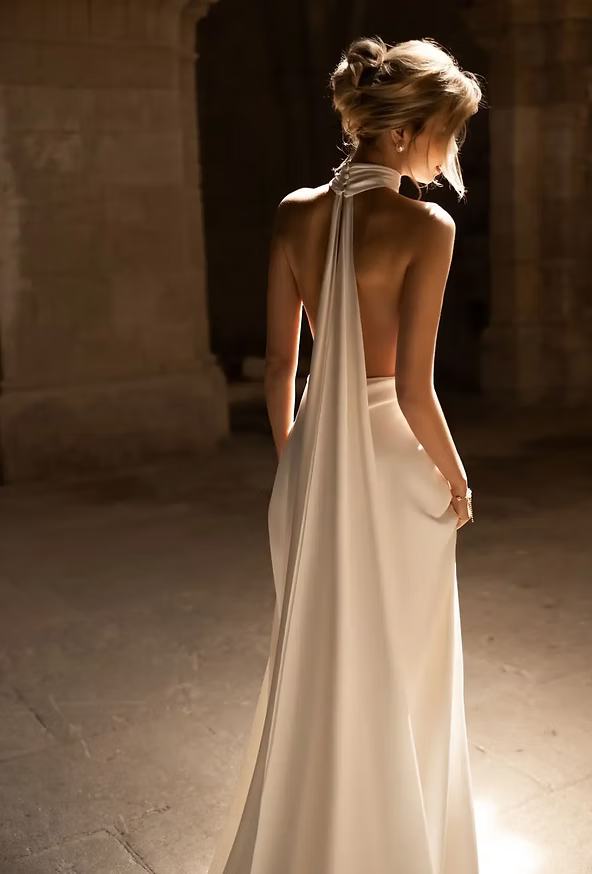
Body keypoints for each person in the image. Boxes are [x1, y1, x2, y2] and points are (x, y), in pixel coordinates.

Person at [207, 36, 483, 874]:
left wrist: (305, 472)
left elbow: (283, 372)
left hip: (312, 467)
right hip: (395, 470)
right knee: (402, 672)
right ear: (404, 133)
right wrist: (459, 480)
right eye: (447, 130)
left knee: (324, 669)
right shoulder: (426, 226)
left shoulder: (295, 213)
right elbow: (411, 391)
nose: (450, 152)